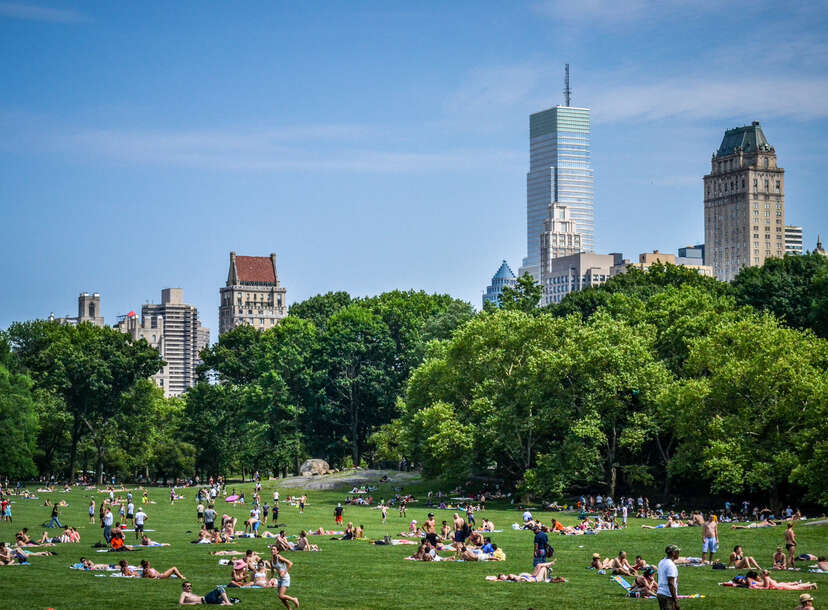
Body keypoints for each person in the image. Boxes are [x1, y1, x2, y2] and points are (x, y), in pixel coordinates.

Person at [656, 544, 680, 610]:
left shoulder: (661, 562)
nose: (679, 554)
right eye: (678, 552)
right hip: (668, 595)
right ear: (673, 553)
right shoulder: (671, 565)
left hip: (660, 593)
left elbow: (658, 576)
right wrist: (675, 600)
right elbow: (671, 583)